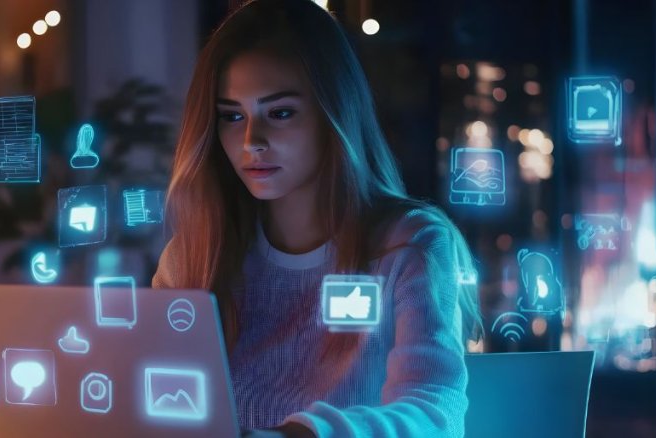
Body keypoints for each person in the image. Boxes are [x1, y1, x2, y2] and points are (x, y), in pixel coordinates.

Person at [153, 0, 482, 436]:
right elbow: (151, 401)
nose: (252, 141)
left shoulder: (409, 245)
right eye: (232, 116)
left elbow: (434, 414)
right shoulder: (196, 255)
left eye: (281, 112)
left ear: (333, 114)